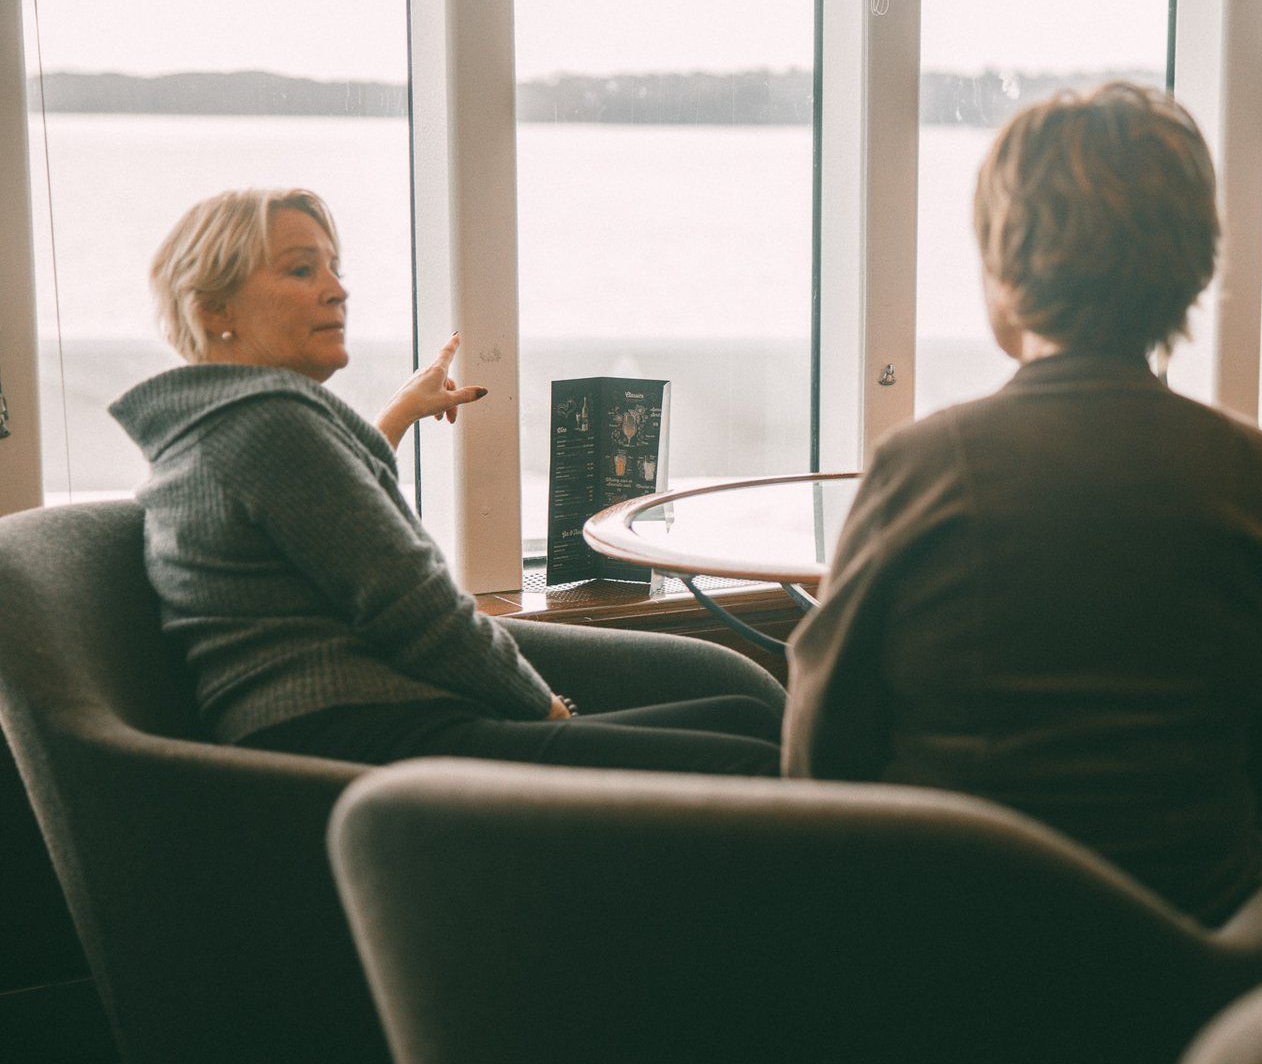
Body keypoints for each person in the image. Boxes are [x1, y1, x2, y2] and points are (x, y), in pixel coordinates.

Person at [783, 82, 1262, 925]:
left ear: (1007, 268)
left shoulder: (922, 466)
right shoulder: (1257, 474)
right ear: (1192, 266)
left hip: (956, 941)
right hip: (1194, 950)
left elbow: (818, 752)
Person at [112, 188, 785, 772]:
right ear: (213, 312)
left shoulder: (213, 429)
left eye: (335, 268)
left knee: (740, 715)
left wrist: (397, 415)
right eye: (299, 268)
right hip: (363, 740)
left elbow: (321, 518)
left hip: (338, 726)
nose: (338, 288)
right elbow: (414, 606)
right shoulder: (269, 426)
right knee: (744, 754)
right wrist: (549, 714)